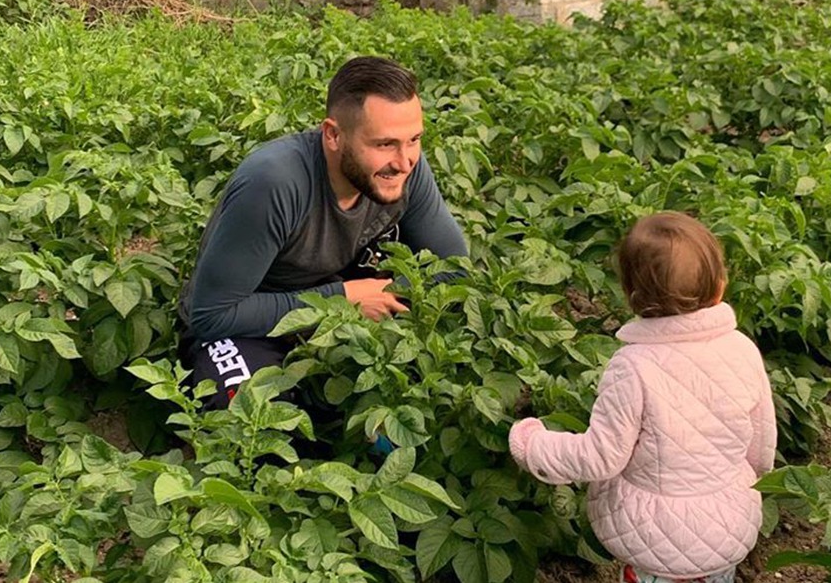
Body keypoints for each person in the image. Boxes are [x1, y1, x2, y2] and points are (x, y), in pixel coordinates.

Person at [175, 56, 468, 409]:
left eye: (415, 139)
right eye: (384, 144)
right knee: (248, 416)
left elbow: (454, 267)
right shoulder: (274, 183)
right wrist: (341, 298)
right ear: (332, 135)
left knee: (427, 388)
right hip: (248, 320)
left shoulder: (405, 169)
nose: (404, 161)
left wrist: (378, 294)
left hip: (340, 295)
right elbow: (212, 316)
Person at [508, 212, 776, 583]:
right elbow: (761, 449)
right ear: (719, 288)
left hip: (653, 541)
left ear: (632, 298)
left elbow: (600, 456)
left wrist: (532, 444)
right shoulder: (743, 350)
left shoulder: (632, 366)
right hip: (726, 530)